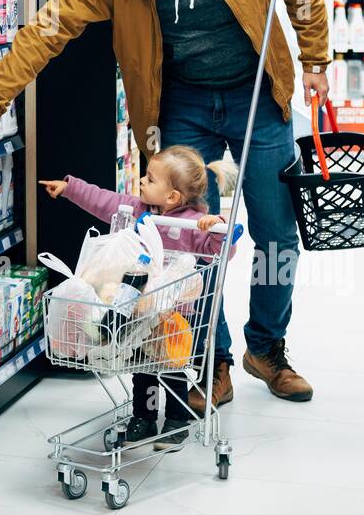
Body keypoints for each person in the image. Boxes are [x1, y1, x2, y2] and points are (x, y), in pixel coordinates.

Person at [0, 0, 329, 410]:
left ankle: (266, 348)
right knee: (185, 242)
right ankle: (209, 360)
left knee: (276, 232)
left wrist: (314, 59)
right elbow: (51, 25)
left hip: (256, 94)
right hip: (181, 101)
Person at [41, 145, 234, 449]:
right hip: (137, 309)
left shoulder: (196, 224)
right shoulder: (139, 210)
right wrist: (70, 188)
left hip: (176, 314)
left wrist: (218, 228)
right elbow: (103, 201)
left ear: (173, 197)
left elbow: (220, 252)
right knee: (141, 367)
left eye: (150, 179)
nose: (142, 182)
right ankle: (143, 417)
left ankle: (176, 421)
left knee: (171, 367)